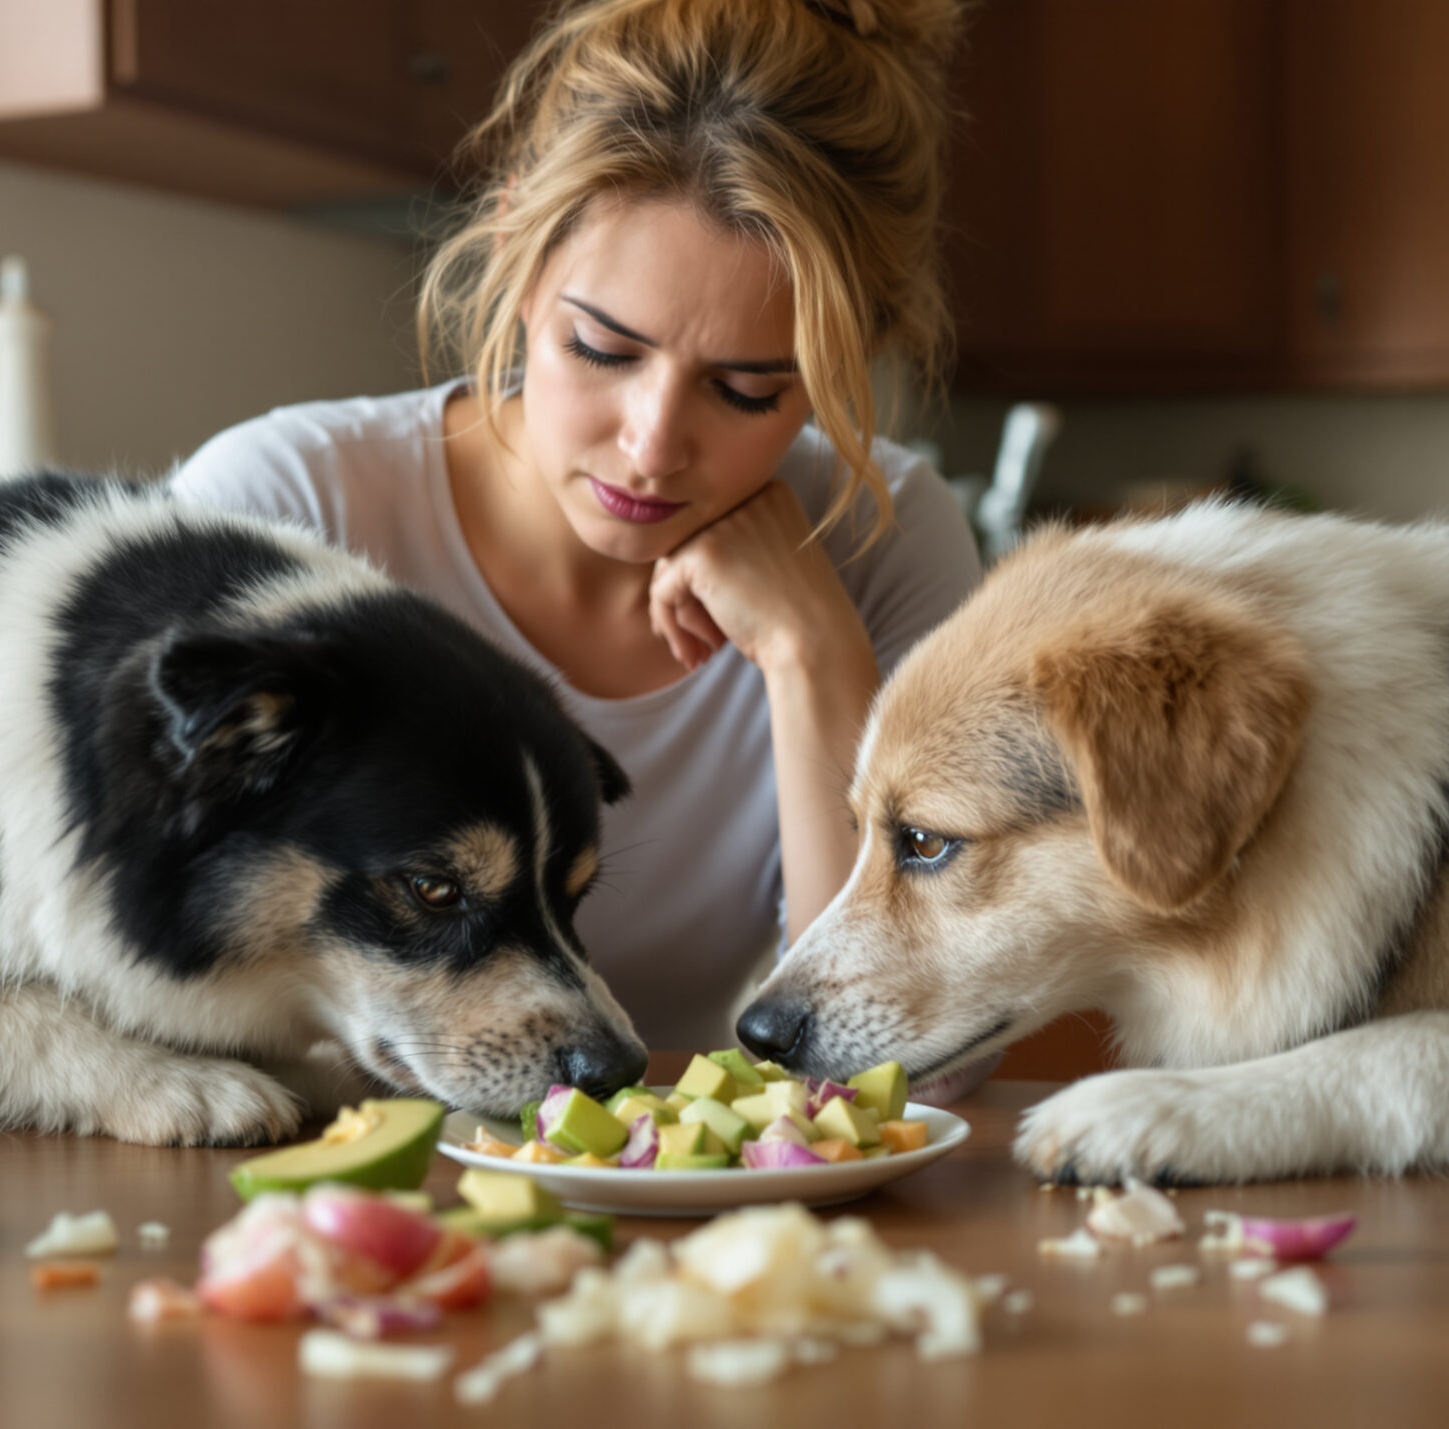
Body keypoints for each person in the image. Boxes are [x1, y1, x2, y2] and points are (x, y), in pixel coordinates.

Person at [170, 0, 981, 1058]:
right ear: (515, 243)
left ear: (848, 357)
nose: (651, 445)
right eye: (602, 348)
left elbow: (916, 1071)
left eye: (746, 391)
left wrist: (811, 651)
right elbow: (157, 964)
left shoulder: (884, 536)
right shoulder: (287, 503)